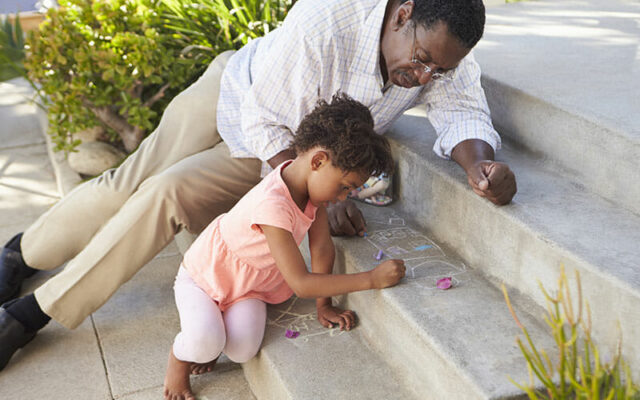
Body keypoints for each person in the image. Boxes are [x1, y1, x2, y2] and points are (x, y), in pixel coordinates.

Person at [0, 0, 517, 372]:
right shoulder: (326, 18)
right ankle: (20, 257)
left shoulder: (445, 54)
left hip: (303, 151)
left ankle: (27, 314)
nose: (425, 76)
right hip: (249, 105)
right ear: (402, 14)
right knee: (127, 185)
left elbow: (465, 112)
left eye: (438, 69)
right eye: (421, 59)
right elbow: (266, 121)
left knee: (167, 194)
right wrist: (316, 192)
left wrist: (481, 167)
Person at [163, 94, 405, 400]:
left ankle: (211, 332)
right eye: (344, 187)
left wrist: (324, 305)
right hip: (204, 277)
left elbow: (322, 249)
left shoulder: (308, 191)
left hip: (249, 286)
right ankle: (179, 360)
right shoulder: (273, 205)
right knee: (203, 342)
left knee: (242, 350)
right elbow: (302, 284)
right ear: (318, 161)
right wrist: (371, 279)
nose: (344, 198)